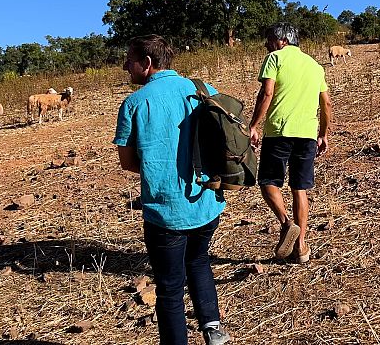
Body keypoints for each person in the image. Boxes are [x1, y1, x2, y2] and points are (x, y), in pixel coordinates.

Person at [114, 34, 230, 345]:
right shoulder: (203, 90)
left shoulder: (134, 104)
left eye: (130, 60)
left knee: (168, 288)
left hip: (165, 212)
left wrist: (161, 167)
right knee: (200, 260)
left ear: (147, 64)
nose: (126, 65)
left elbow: (127, 162)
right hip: (207, 200)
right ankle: (213, 330)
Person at [249, 23, 333, 263]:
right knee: (300, 187)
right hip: (307, 134)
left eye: (269, 39)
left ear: (281, 40)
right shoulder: (315, 66)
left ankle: (286, 223)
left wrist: (253, 125)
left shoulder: (274, 58)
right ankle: (301, 247)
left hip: (279, 132)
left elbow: (267, 93)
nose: (266, 44)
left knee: (268, 182)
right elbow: (326, 103)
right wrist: (323, 134)